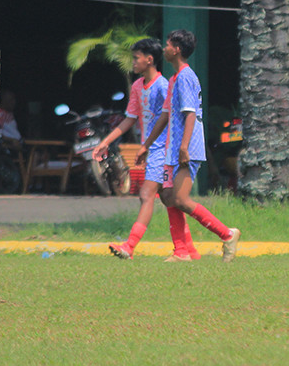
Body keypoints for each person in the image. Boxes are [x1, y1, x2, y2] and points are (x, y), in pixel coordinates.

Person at [137, 30, 241, 262]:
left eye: (167, 44)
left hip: (187, 148)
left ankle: (227, 234)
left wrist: (184, 146)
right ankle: (182, 252)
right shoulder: (174, 79)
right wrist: (147, 145)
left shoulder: (185, 77)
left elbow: (190, 113)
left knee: (181, 199)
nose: (164, 48)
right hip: (173, 149)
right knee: (167, 195)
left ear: (177, 50)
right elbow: (165, 115)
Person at [93, 38, 199, 261]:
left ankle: (129, 246)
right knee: (168, 199)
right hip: (151, 150)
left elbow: (169, 118)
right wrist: (106, 141)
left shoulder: (163, 86)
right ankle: (188, 250)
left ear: (149, 60)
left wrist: (163, 147)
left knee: (146, 194)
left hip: (162, 150)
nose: (132, 62)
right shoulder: (137, 86)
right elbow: (129, 119)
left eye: (136, 58)